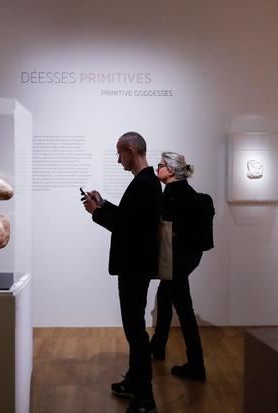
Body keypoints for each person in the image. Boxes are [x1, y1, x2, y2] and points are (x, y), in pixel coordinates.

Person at [82, 131, 161, 413]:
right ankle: (133, 382)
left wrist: (96, 213)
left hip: (134, 268)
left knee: (135, 331)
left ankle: (145, 396)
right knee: (134, 328)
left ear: (130, 150)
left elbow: (127, 228)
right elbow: (131, 219)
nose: (117, 160)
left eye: (119, 153)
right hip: (136, 266)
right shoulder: (146, 182)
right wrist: (103, 204)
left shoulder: (144, 184)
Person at [150, 151, 206, 381]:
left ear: (171, 170)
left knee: (184, 311)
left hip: (176, 260)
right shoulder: (189, 193)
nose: (157, 168)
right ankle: (158, 346)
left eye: (160, 165)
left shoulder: (170, 194)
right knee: (164, 297)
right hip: (191, 257)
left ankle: (196, 365)